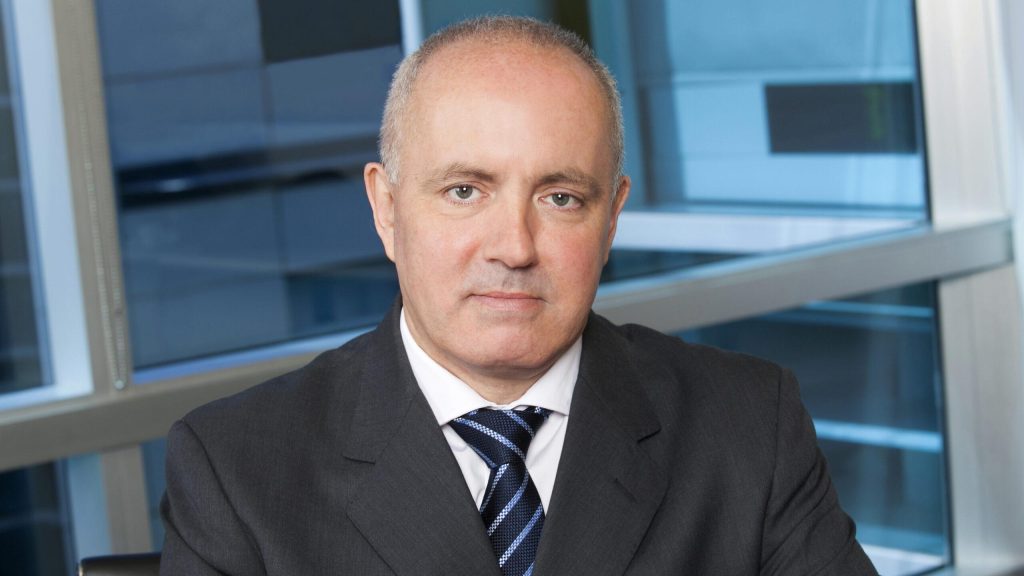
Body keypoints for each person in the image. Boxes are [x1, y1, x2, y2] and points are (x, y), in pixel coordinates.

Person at [160, 16, 878, 576]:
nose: (514, 247)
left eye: (560, 197)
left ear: (611, 219)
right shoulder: (236, 467)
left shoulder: (749, 424)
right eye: (464, 191)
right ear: (386, 208)